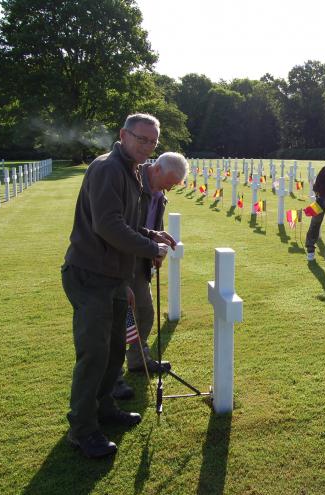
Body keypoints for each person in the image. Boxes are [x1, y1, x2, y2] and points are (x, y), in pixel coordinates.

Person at [61, 113, 175, 458]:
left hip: (114, 275)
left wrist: (149, 233)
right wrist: (150, 247)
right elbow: (108, 226)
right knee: (94, 353)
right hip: (90, 274)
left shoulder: (133, 170)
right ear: (123, 135)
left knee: (113, 350)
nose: (147, 146)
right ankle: (81, 430)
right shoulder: (108, 168)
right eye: (141, 139)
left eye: (153, 142)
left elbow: (126, 223)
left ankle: (105, 407)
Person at [112, 152, 189, 400]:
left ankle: (138, 359)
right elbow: (120, 226)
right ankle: (112, 379)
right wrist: (149, 244)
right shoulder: (132, 182)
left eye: (175, 185)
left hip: (140, 258)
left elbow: (151, 224)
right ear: (156, 169)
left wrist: (155, 248)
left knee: (144, 312)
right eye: (169, 182)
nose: (170, 188)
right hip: (116, 258)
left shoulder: (159, 192)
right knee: (117, 319)